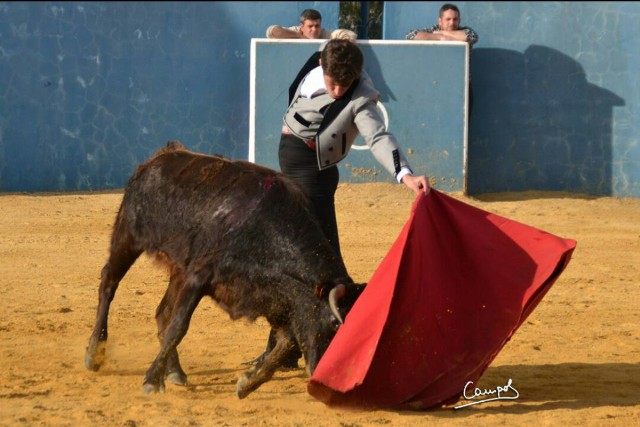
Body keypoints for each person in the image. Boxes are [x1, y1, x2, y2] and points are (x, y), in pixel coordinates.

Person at [245, 39, 430, 370]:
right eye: (333, 81)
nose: (338, 89)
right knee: (311, 260)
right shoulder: (317, 61)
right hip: (296, 160)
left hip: (313, 172)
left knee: (317, 262)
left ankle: (339, 340)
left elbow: (378, 138)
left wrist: (404, 174)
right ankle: (289, 348)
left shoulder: (361, 97)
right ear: (323, 66)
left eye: (345, 83)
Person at [405, 3, 478, 114]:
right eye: (448, 19)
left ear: (459, 20)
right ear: (440, 21)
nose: (452, 23)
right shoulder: (433, 29)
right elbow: (410, 35)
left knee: (463, 128)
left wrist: (443, 34)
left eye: (455, 19)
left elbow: (472, 36)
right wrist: (440, 37)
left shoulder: (465, 30)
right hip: (435, 86)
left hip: (462, 88)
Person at [266, 8, 356, 40]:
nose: (314, 29)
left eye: (317, 26)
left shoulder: (324, 33)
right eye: (310, 26)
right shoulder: (296, 31)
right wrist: (300, 36)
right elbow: (272, 31)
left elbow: (350, 35)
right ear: (301, 26)